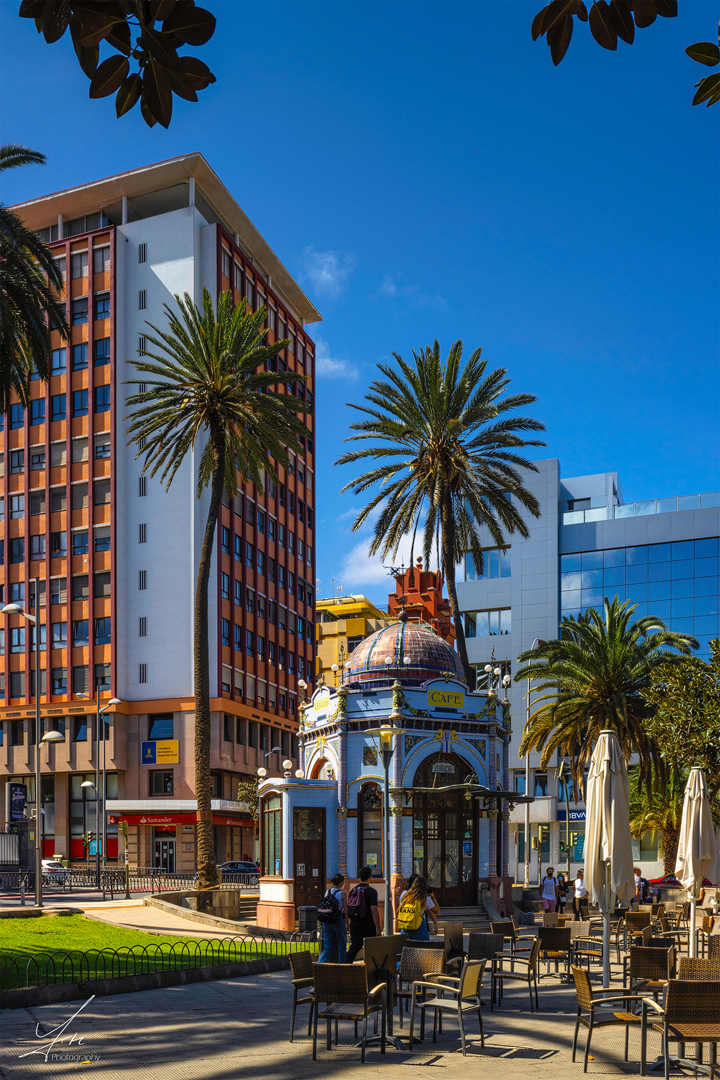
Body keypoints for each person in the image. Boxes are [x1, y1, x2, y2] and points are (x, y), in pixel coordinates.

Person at [345, 866, 381, 963]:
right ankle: (369, 969)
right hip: (367, 924)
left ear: (360, 877)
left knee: (355, 946)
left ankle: (344, 966)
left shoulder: (353, 890)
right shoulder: (372, 891)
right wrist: (378, 927)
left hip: (354, 923)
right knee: (371, 948)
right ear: (370, 877)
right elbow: (374, 910)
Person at [317, 872, 347, 964]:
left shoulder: (327, 892)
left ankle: (319, 964)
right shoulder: (343, 893)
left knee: (328, 947)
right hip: (337, 920)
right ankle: (342, 966)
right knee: (342, 946)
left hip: (326, 921)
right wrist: (348, 924)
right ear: (341, 882)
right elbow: (345, 910)